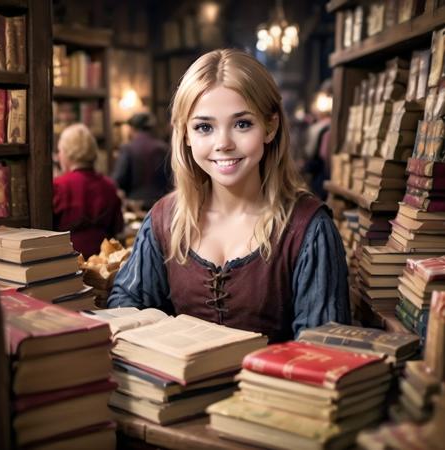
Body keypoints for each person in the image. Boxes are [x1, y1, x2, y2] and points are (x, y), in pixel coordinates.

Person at [108, 49, 350, 342]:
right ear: (185, 134)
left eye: (242, 124)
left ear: (270, 127)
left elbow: (321, 350)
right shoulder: (164, 219)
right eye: (204, 127)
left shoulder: (309, 228)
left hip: (276, 388)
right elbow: (126, 310)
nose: (223, 143)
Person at [53, 123, 124, 259]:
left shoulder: (58, 186)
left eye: (59, 151)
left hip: (64, 266)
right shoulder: (109, 186)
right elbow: (118, 228)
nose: (58, 156)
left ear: (68, 153)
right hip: (102, 266)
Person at [112, 112, 170, 210]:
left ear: (132, 129)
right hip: (162, 204)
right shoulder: (164, 148)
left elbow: (118, 179)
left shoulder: (128, 148)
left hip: (135, 205)